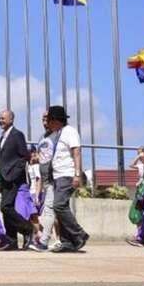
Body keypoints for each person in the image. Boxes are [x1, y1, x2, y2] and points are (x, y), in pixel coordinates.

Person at [43, 105, 89, 253]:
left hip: (67, 174)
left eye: (49, 120)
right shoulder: (58, 134)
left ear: (56, 120)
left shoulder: (70, 132)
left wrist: (77, 174)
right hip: (58, 176)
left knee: (58, 205)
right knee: (60, 208)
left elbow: (76, 152)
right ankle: (67, 241)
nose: (47, 123)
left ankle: (79, 234)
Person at [0, 110, 36, 251]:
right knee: (7, 209)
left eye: (3, 118)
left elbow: (25, 156)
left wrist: (14, 172)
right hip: (4, 177)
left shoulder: (17, 135)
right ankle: (11, 241)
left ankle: (28, 229)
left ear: (11, 120)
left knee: (5, 207)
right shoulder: (3, 136)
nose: (0, 120)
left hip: (13, 178)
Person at [35, 112, 57, 251]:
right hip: (46, 179)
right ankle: (74, 237)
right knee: (56, 210)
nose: (44, 121)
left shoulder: (57, 136)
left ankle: (43, 241)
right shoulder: (42, 138)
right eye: (42, 118)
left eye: (47, 118)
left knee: (49, 210)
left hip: (55, 178)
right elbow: (41, 156)